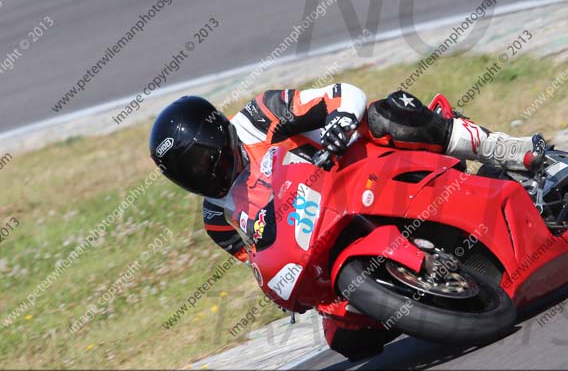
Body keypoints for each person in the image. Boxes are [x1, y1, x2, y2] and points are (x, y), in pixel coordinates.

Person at [149, 83, 546, 262]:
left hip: (357, 167)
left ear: (217, 133)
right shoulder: (217, 218)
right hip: (326, 236)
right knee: (350, 342)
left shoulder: (258, 116)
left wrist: (340, 123)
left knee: (385, 115)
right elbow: (257, 261)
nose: (202, 174)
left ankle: (507, 150)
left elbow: (344, 94)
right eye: (187, 173)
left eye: (201, 160)